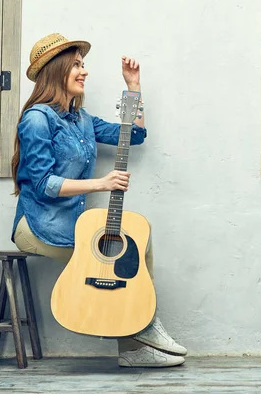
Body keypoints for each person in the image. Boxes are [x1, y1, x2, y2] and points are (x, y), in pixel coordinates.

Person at [10, 33, 186, 368]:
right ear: (55, 70)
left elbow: (133, 134)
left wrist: (133, 87)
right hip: (38, 227)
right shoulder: (37, 118)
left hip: (71, 226)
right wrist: (102, 183)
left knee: (134, 244)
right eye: (76, 64)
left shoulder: (82, 120)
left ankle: (136, 341)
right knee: (113, 259)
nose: (84, 71)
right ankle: (143, 332)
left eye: (83, 64)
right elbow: (44, 184)